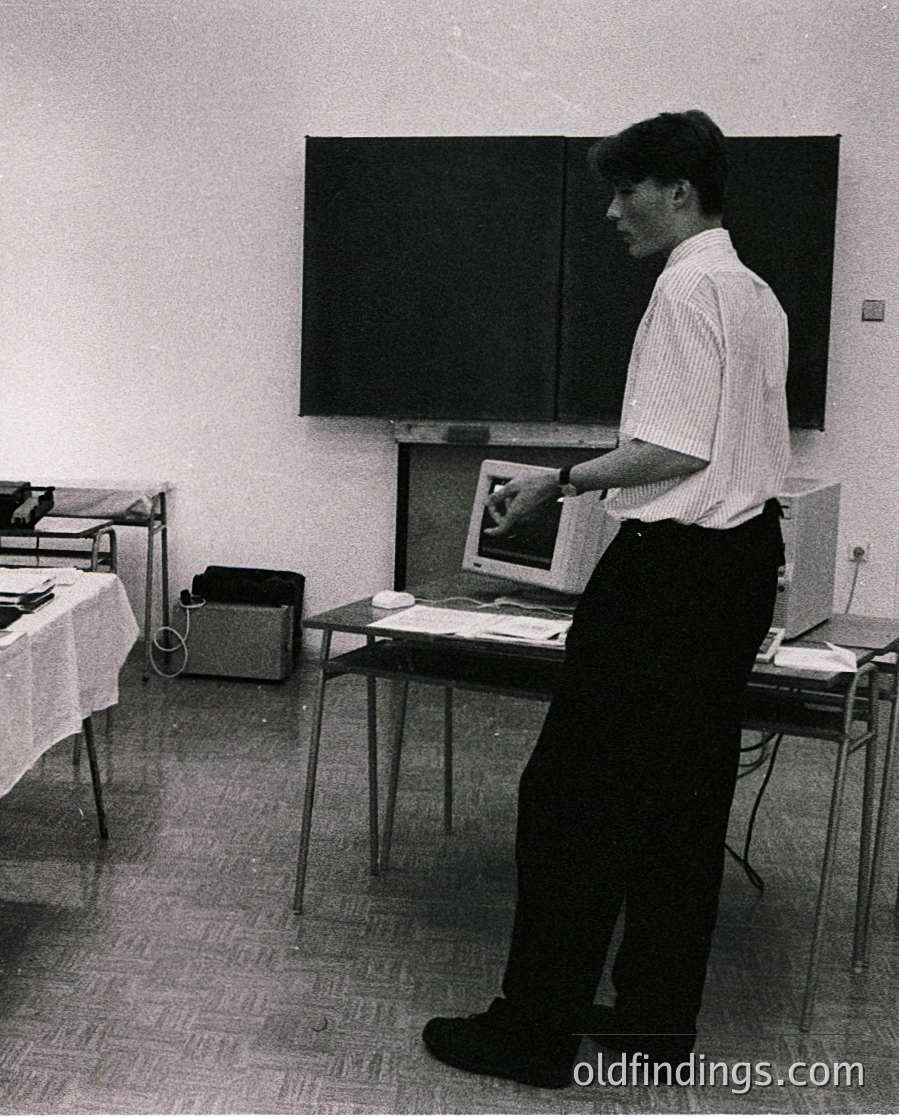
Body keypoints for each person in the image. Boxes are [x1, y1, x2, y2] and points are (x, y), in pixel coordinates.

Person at [422, 110, 789, 1088]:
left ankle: (534, 1030)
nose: (612, 210)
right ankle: (656, 1023)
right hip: (741, 563)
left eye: (627, 190)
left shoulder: (685, 292)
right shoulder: (754, 293)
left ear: (676, 190)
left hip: (670, 574)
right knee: (681, 799)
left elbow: (675, 450)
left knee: (569, 801)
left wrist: (561, 481)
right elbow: (742, 448)